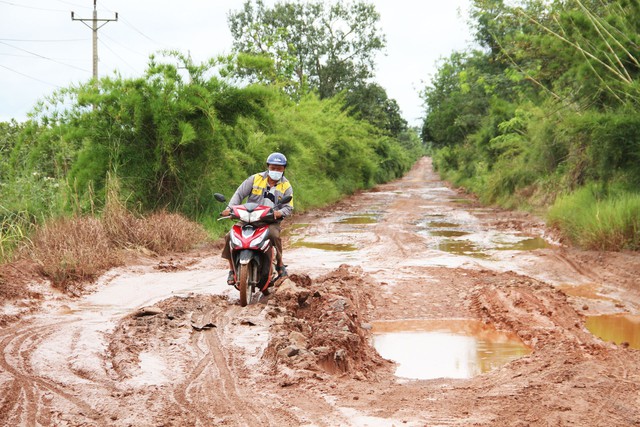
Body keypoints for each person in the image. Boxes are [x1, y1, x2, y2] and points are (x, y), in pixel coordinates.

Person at [221, 152, 293, 285]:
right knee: (229, 236)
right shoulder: (255, 179)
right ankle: (231, 270)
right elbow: (239, 194)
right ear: (268, 167)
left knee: (274, 235)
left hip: (269, 221)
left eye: (279, 168)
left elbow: (288, 207)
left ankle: (280, 266)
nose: (276, 170)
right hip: (249, 218)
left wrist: (279, 213)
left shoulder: (286, 186)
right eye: (273, 167)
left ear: (284, 169)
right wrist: (230, 209)